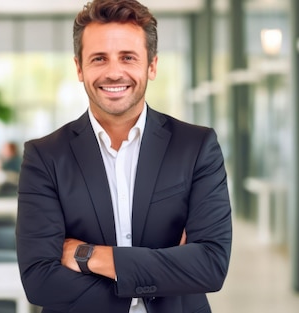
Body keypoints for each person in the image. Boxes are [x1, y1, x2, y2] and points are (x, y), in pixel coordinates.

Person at [15, 1, 232, 313]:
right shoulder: (45, 156)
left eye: (128, 58)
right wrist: (167, 273)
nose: (114, 72)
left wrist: (90, 256)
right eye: (99, 59)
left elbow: (210, 266)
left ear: (152, 65)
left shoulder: (196, 147)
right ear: (79, 68)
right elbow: (39, 280)